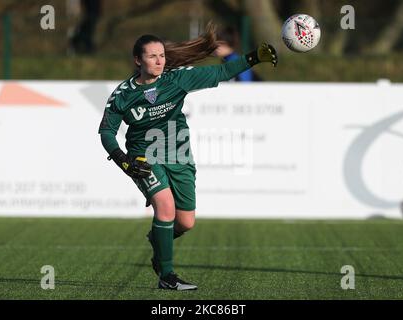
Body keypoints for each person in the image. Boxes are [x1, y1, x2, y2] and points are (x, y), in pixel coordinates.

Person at [98, 22, 278, 291]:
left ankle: (159, 241)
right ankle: (167, 276)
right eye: (152, 56)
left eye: (161, 55)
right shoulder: (123, 95)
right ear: (138, 60)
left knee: (186, 222)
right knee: (165, 207)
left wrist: (253, 58)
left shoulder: (177, 79)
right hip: (144, 157)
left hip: (179, 155)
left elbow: (222, 71)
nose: (159, 61)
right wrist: (124, 161)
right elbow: (106, 132)